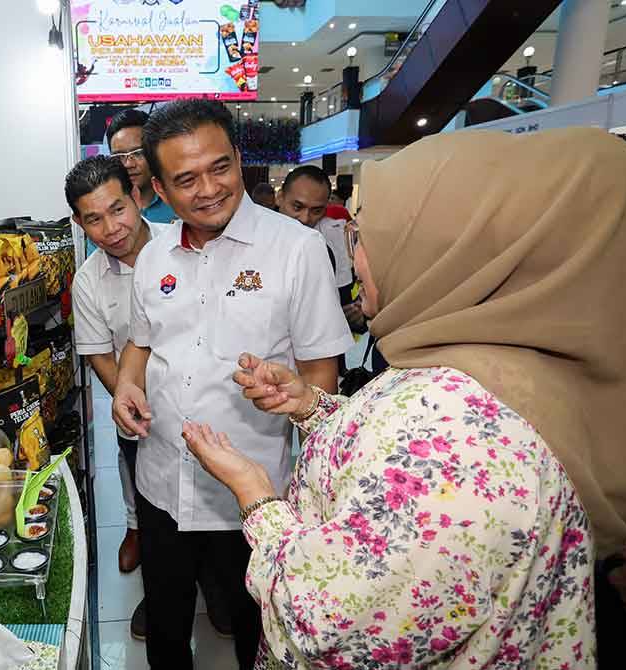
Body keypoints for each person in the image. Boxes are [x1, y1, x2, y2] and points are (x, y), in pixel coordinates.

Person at [182, 127, 626, 668]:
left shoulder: (450, 445)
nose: (356, 257)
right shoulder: (495, 361)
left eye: (364, 236)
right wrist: (313, 407)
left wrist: (256, 496)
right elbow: (395, 454)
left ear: (447, 254)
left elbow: (324, 624)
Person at [112, 99, 353, 670]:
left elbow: (321, 375)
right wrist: (125, 385)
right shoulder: (153, 257)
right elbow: (141, 343)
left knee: (256, 633)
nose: (209, 190)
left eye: (220, 167)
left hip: (252, 497)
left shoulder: (296, 250)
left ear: (239, 159)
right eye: (186, 179)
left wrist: (295, 408)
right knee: (167, 626)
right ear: (159, 190)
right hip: (161, 481)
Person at [66, 156, 168, 639]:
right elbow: (98, 355)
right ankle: (154, 574)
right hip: (141, 413)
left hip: (204, 406)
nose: (111, 229)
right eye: (94, 219)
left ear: (138, 197)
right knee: (149, 500)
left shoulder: (181, 245)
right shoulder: (88, 280)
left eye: (118, 209)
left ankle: (219, 588)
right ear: (79, 222)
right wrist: (129, 401)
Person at [278, 165, 365, 334]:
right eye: (297, 207)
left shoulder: (325, 249)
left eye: (316, 211)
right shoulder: (252, 241)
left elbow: (342, 305)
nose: (305, 218)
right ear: (280, 197)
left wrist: (356, 317)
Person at [106, 109, 177, 224]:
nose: (128, 164)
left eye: (138, 153)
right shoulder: (105, 209)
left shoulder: (178, 201)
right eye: (119, 156)